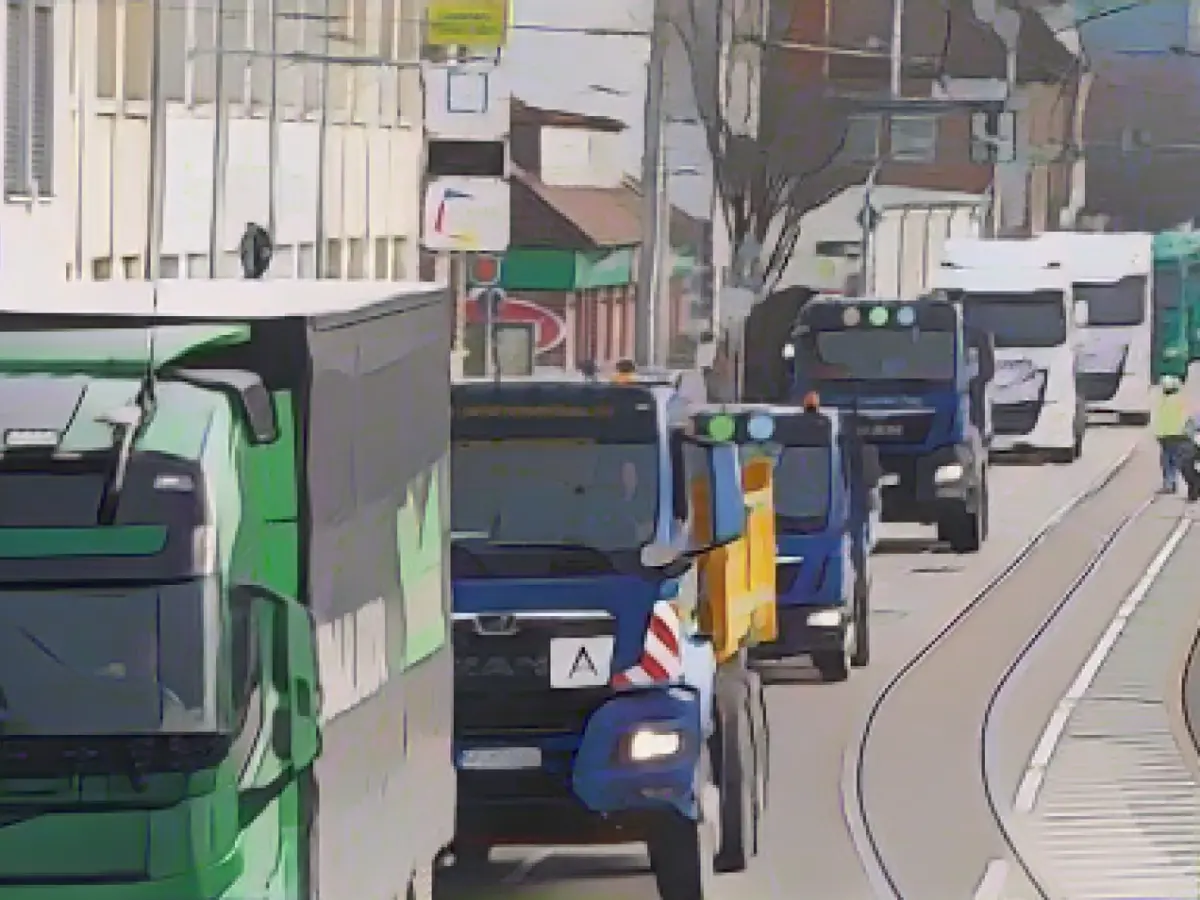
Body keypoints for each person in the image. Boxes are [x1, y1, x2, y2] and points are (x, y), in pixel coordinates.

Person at [1151, 375, 1200, 499]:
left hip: (1172, 437)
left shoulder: (1166, 401)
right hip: (1174, 436)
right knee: (1173, 461)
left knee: (1169, 461)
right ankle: (1171, 483)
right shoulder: (1178, 400)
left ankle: (1171, 483)